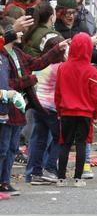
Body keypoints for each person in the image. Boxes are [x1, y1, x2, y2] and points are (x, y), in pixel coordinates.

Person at [1, 35, 69, 195]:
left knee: (13, 148)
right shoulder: (3, 57)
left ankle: (6, 182)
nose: (22, 33)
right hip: (7, 108)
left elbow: (38, 63)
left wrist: (57, 48)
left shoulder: (17, 52)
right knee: (3, 149)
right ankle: (45, 170)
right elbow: (7, 84)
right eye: (18, 31)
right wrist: (29, 80)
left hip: (21, 107)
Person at [54, 34, 97, 186]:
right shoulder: (92, 71)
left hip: (67, 111)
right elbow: (96, 96)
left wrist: (59, 110)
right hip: (85, 113)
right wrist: (96, 113)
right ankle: (78, 178)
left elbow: (58, 92)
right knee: (81, 144)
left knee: (65, 144)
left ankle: (61, 177)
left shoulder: (63, 68)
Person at [25, 36, 64, 185]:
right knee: (60, 138)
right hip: (53, 108)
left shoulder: (40, 65)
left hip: (37, 105)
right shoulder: (60, 67)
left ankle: (35, 173)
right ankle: (50, 169)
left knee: (39, 140)